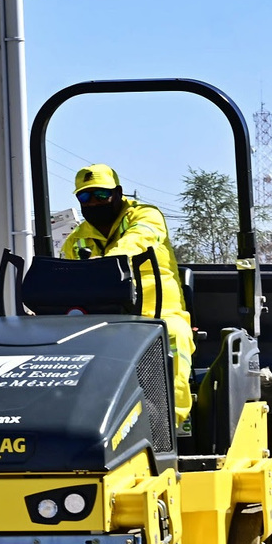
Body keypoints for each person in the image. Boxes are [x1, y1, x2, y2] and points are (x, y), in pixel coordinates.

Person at [60, 163, 194, 426]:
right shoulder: (75, 241)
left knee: (175, 336)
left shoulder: (146, 216)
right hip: (105, 319)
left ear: (118, 193)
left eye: (101, 195)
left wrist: (108, 262)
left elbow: (139, 239)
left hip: (159, 312)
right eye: (85, 197)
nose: (93, 203)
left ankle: (169, 424)